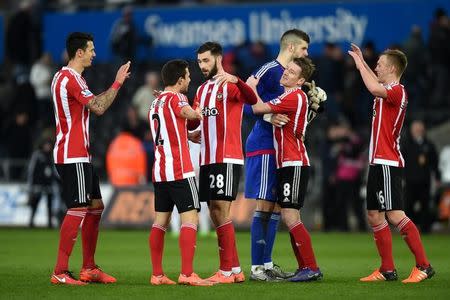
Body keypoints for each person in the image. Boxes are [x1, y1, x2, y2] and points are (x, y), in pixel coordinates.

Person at [348, 43, 434, 283]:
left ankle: (424, 266)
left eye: (380, 64)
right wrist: (362, 61)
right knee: (374, 215)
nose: (376, 67)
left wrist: (359, 65)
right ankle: (387, 269)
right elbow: (375, 85)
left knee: (395, 214)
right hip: (377, 161)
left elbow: (374, 88)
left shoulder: (397, 90)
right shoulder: (386, 88)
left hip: (388, 161)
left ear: (393, 68)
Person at [243, 29, 325, 281]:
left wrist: (315, 108)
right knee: (266, 205)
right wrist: (268, 115)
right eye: (303, 49)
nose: (306, 54)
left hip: (283, 152)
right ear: (291, 48)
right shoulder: (270, 70)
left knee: (279, 208)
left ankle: (268, 263)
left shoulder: (294, 82)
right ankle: (259, 267)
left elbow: (296, 117)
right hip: (265, 143)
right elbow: (245, 101)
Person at [50, 32, 131, 285]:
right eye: (91, 49)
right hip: (72, 154)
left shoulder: (64, 77)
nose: (95, 54)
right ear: (80, 52)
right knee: (78, 208)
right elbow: (98, 107)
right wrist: (117, 83)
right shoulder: (72, 79)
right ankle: (60, 271)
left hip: (79, 154)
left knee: (96, 206)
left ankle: (89, 268)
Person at [193, 42, 257, 284]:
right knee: (214, 212)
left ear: (218, 59)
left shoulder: (230, 85)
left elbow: (251, 99)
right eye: (199, 62)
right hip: (206, 158)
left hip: (226, 156)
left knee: (221, 208)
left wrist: (237, 80)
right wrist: (190, 130)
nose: (202, 66)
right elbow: (195, 123)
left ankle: (226, 270)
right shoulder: (200, 91)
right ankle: (235, 269)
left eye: (206, 61)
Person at [148, 59, 211, 286]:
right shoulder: (178, 98)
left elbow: (166, 131)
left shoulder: (155, 103)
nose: (190, 79)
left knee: (160, 222)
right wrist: (197, 112)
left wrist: (187, 136)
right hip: (179, 171)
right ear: (180, 79)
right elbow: (186, 112)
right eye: (188, 75)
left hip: (160, 171)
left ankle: (157, 275)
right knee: (190, 219)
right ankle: (187, 273)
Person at [402, 120, 441, 233]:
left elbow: (435, 163)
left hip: (424, 180)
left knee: (425, 206)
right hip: (409, 181)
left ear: (423, 130)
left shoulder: (429, 145)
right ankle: (408, 229)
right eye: (416, 128)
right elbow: (400, 162)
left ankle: (425, 229)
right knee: (408, 205)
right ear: (411, 130)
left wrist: (437, 177)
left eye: (420, 128)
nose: (418, 131)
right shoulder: (406, 145)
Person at [27, 138, 59, 228]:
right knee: (35, 203)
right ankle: (31, 221)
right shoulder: (37, 155)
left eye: (49, 145)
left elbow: (54, 170)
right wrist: (31, 185)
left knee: (50, 204)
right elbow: (31, 170)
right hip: (38, 184)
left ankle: (50, 223)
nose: (48, 147)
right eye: (46, 145)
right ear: (42, 145)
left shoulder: (51, 156)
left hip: (48, 184)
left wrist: (56, 180)